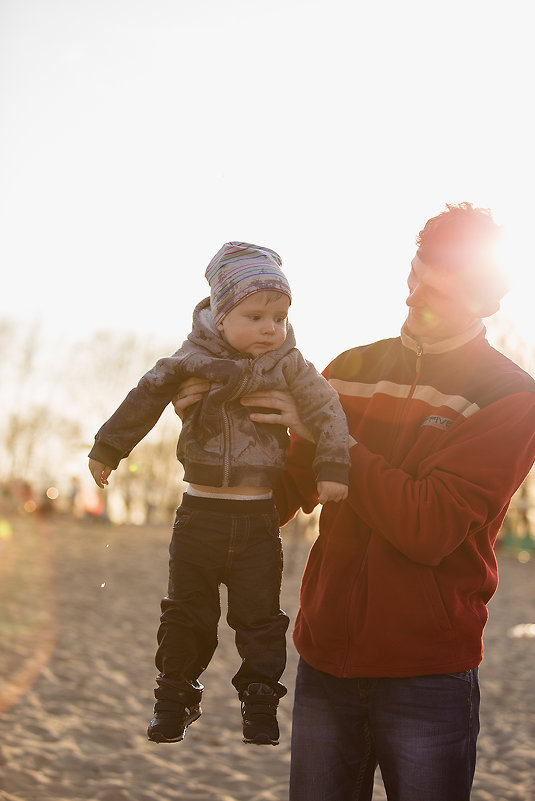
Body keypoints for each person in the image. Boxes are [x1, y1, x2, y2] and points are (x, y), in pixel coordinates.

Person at [174, 205, 535, 799]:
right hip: (323, 662)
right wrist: (217, 430)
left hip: (427, 676)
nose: (415, 300)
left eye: (438, 295)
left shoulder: (509, 397)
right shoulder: (348, 369)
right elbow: (281, 494)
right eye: (414, 277)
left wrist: (331, 437)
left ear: (485, 302)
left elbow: (429, 524)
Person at [88, 241, 350, 747]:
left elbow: (327, 412)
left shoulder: (289, 364)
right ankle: (174, 697)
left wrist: (332, 466)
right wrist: (107, 448)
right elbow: (143, 399)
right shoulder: (189, 361)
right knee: (187, 613)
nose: (270, 328)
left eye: (279, 316)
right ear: (220, 314)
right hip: (199, 517)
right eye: (255, 316)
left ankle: (259, 701)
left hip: (257, 519)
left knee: (259, 618)